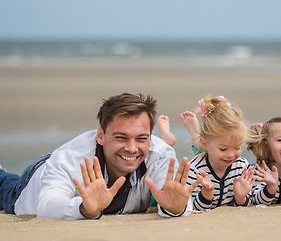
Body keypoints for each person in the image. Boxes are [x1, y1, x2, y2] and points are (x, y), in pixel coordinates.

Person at [0, 93, 200, 219]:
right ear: (101, 136)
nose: (132, 148)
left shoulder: (160, 154)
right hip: (34, 180)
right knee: (6, 188)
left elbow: (175, 198)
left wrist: (177, 208)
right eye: (121, 137)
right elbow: (47, 206)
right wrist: (85, 209)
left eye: (141, 138)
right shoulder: (71, 158)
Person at [185, 95, 255, 211]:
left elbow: (251, 201)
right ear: (205, 143)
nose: (231, 155)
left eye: (237, 147)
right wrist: (206, 193)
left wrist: (240, 198)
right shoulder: (195, 170)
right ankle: (194, 133)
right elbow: (190, 207)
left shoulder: (241, 166)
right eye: (223, 149)